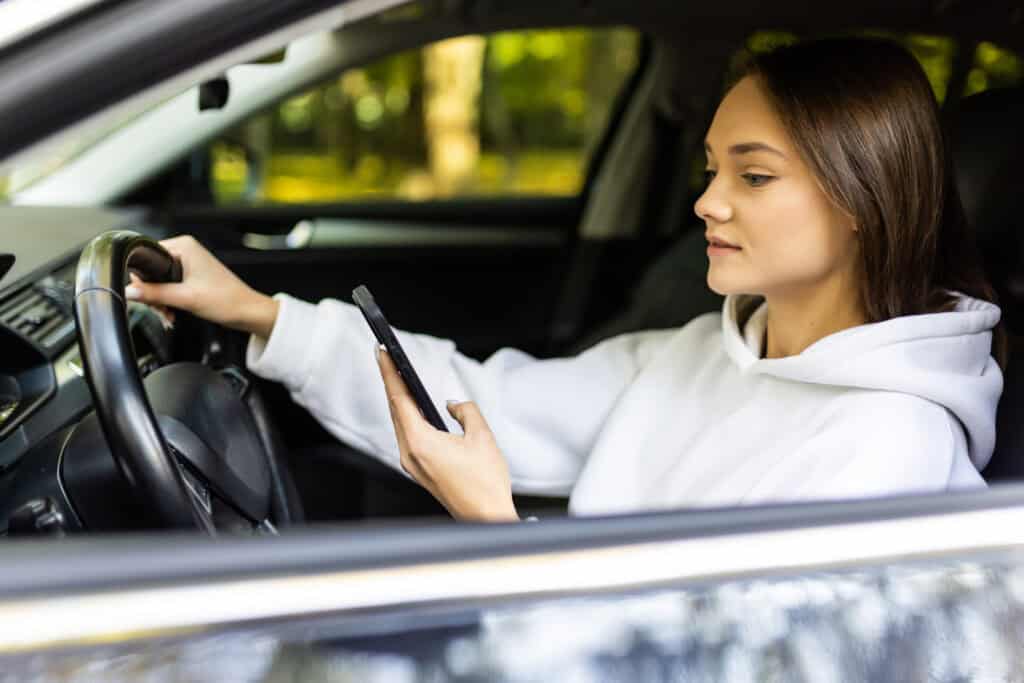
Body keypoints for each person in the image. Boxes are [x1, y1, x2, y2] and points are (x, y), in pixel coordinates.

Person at [127, 38, 1005, 522]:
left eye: (754, 175)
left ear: (861, 202)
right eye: (709, 170)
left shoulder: (889, 449)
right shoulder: (709, 349)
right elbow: (492, 400)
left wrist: (497, 534)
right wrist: (256, 312)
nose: (706, 203)